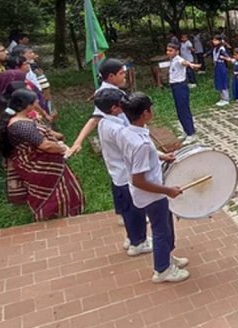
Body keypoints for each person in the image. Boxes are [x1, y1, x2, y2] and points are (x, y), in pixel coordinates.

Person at [118, 92, 190, 283]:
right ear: (144, 113)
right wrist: (168, 191)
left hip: (152, 191)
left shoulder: (129, 131)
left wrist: (162, 156)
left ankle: (166, 258)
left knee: (165, 227)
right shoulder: (140, 144)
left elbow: (144, 155)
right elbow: (138, 180)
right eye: (151, 108)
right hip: (152, 194)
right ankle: (162, 270)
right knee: (161, 231)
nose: (153, 111)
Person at [0, 89, 84, 220]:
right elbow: (45, 145)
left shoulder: (23, 119)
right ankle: (54, 216)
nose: (37, 102)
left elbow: (48, 136)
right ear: (27, 105)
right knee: (55, 191)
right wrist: (63, 149)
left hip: (38, 162)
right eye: (34, 101)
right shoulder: (21, 126)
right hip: (38, 166)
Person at [94, 88, 151, 256]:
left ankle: (132, 237)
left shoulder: (105, 122)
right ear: (114, 108)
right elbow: (132, 149)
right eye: (122, 102)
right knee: (135, 210)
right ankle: (138, 242)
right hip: (126, 175)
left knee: (127, 210)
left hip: (117, 174)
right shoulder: (118, 130)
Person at [67, 58, 128, 157]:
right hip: (119, 136)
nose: (124, 75)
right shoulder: (104, 94)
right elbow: (95, 119)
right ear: (111, 76)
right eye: (121, 73)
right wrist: (78, 142)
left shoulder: (116, 90)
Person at [167, 43, 202, 144]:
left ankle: (191, 133)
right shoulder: (173, 60)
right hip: (174, 86)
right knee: (179, 110)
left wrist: (192, 65)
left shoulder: (178, 59)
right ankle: (185, 130)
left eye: (171, 50)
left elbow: (184, 63)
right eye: (167, 50)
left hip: (180, 86)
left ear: (177, 51)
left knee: (184, 109)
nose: (168, 52)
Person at [212, 35, 231, 107]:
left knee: (223, 81)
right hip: (217, 66)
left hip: (221, 66)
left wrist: (225, 57)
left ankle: (226, 98)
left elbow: (227, 57)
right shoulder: (215, 48)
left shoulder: (222, 49)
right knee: (219, 81)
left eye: (216, 40)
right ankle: (222, 97)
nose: (214, 42)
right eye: (213, 40)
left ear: (219, 41)